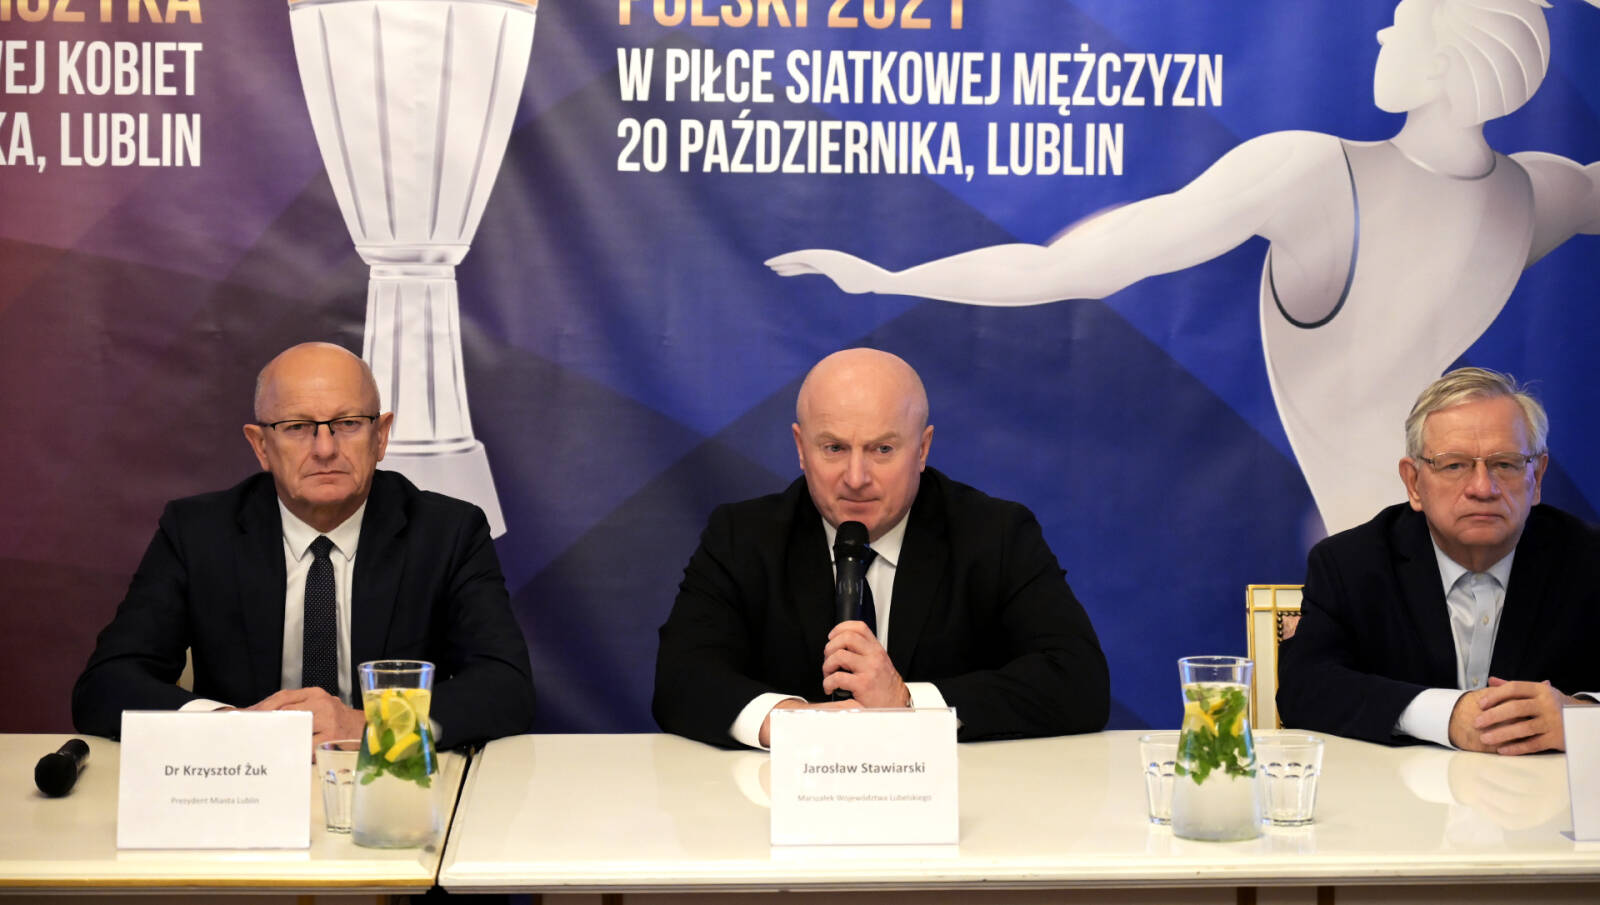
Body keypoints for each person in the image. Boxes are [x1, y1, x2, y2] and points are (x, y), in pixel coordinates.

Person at [767, 0, 1600, 536]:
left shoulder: (1315, 175)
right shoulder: (1540, 194)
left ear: (1446, 64)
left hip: (1362, 551)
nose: (1382, 31)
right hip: (1431, 549)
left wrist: (887, 278)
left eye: (1404, 25)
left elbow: (1066, 268)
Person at [72, 342, 536, 749]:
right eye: (297, 427)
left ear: (381, 436)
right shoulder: (197, 533)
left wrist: (370, 725)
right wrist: (231, 726)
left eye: (348, 423)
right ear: (261, 446)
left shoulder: (448, 533)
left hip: (387, 778)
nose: (325, 449)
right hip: (241, 783)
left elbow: (505, 686)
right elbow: (107, 684)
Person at [652, 348, 1109, 749]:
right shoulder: (742, 537)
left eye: (882, 450)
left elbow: (1078, 681)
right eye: (834, 448)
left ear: (922, 449)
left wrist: (906, 703)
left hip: (958, 804)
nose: (856, 478)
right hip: (773, 803)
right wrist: (792, 723)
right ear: (801, 447)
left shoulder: (996, 534)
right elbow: (681, 678)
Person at [1277, 368, 1599, 754]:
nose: (1483, 488)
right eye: (1454, 465)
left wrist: (1582, 718)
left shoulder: (1589, 560)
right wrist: (1447, 715)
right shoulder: (1351, 564)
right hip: (1399, 792)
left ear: (1538, 477)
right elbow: (1304, 689)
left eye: (1505, 463)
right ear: (1413, 483)